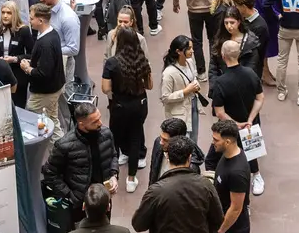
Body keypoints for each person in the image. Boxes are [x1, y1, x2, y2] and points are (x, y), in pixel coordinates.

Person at [207, 40, 266, 196]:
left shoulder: (220, 82)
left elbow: (219, 111)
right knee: (251, 153)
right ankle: (257, 177)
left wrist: (236, 124)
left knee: (217, 157)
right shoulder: (251, 73)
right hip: (250, 125)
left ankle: (216, 184)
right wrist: (250, 120)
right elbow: (260, 98)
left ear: (223, 55)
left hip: (229, 128)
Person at [45, 103, 120, 222]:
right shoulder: (64, 145)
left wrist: (113, 175)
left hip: (103, 198)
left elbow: (113, 156)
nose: (100, 123)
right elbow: (50, 173)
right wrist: (71, 196)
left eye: (99, 118)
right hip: (79, 204)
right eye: (95, 121)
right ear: (82, 124)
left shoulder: (106, 134)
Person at [102, 26, 154, 192]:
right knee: (135, 139)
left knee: (114, 139)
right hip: (139, 105)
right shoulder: (142, 61)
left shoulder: (112, 63)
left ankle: (113, 177)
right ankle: (131, 179)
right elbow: (150, 85)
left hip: (119, 106)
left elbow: (105, 88)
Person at [22, 2, 68, 128]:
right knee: (52, 119)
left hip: (45, 91)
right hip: (54, 87)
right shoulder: (52, 34)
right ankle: (58, 145)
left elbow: (43, 73)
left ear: (40, 20)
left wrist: (28, 68)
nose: (29, 21)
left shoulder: (45, 43)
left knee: (31, 118)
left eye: (31, 19)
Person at [0, 1, 35, 108]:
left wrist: (15, 59)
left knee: (17, 106)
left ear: (15, 14)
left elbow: (31, 54)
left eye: (9, 13)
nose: (5, 16)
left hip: (18, 74)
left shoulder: (23, 30)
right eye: (3, 12)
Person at [39, 0, 83, 82]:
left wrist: (49, 51)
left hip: (62, 65)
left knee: (63, 96)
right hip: (46, 64)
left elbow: (73, 49)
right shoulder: (45, 10)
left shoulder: (68, 17)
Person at [159, 35, 203, 131]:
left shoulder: (190, 62)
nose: (192, 51)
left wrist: (196, 83)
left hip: (193, 105)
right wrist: (185, 91)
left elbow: (193, 76)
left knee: (193, 138)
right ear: (178, 51)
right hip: (179, 114)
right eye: (189, 49)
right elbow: (165, 97)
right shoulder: (169, 72)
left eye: (192, 47)